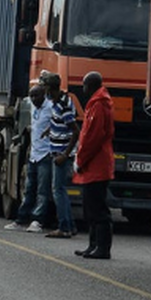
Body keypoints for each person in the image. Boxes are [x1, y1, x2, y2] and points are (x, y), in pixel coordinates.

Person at [73, 71, 115, 259]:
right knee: (90, 207)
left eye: (84, 85)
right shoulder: (97, 103)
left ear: (91, 86)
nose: (83, 89)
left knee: (97, 208)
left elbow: (93, 138)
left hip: (96, 165)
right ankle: (93, 245)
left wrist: (80, 159)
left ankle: (102, 248)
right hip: (94, 165)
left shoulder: (98, 105)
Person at [5, 85, 54, 233]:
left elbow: (60, 125)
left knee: (42, 190)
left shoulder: (50, 108)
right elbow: (33, 126)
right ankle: (21, 219)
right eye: (31, 96)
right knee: (28, 188)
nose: (33, 99)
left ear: (43, 95)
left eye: (36, 96)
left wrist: (49, 132)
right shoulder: (34, 108)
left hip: (45, 154)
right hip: (33, 154)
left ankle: (37, 220)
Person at [41, 72, 80, 239]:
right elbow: (60, 122)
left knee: (58, 190)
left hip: (61, 153)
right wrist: (49, 130)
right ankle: (70, 226)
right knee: (60, 190)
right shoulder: (57, 102)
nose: (44, 92)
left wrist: (65, 154)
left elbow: (75, 131)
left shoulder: (62, 105)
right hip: (56, 149)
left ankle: (63, 227)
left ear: (51, 88)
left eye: (45, 88)